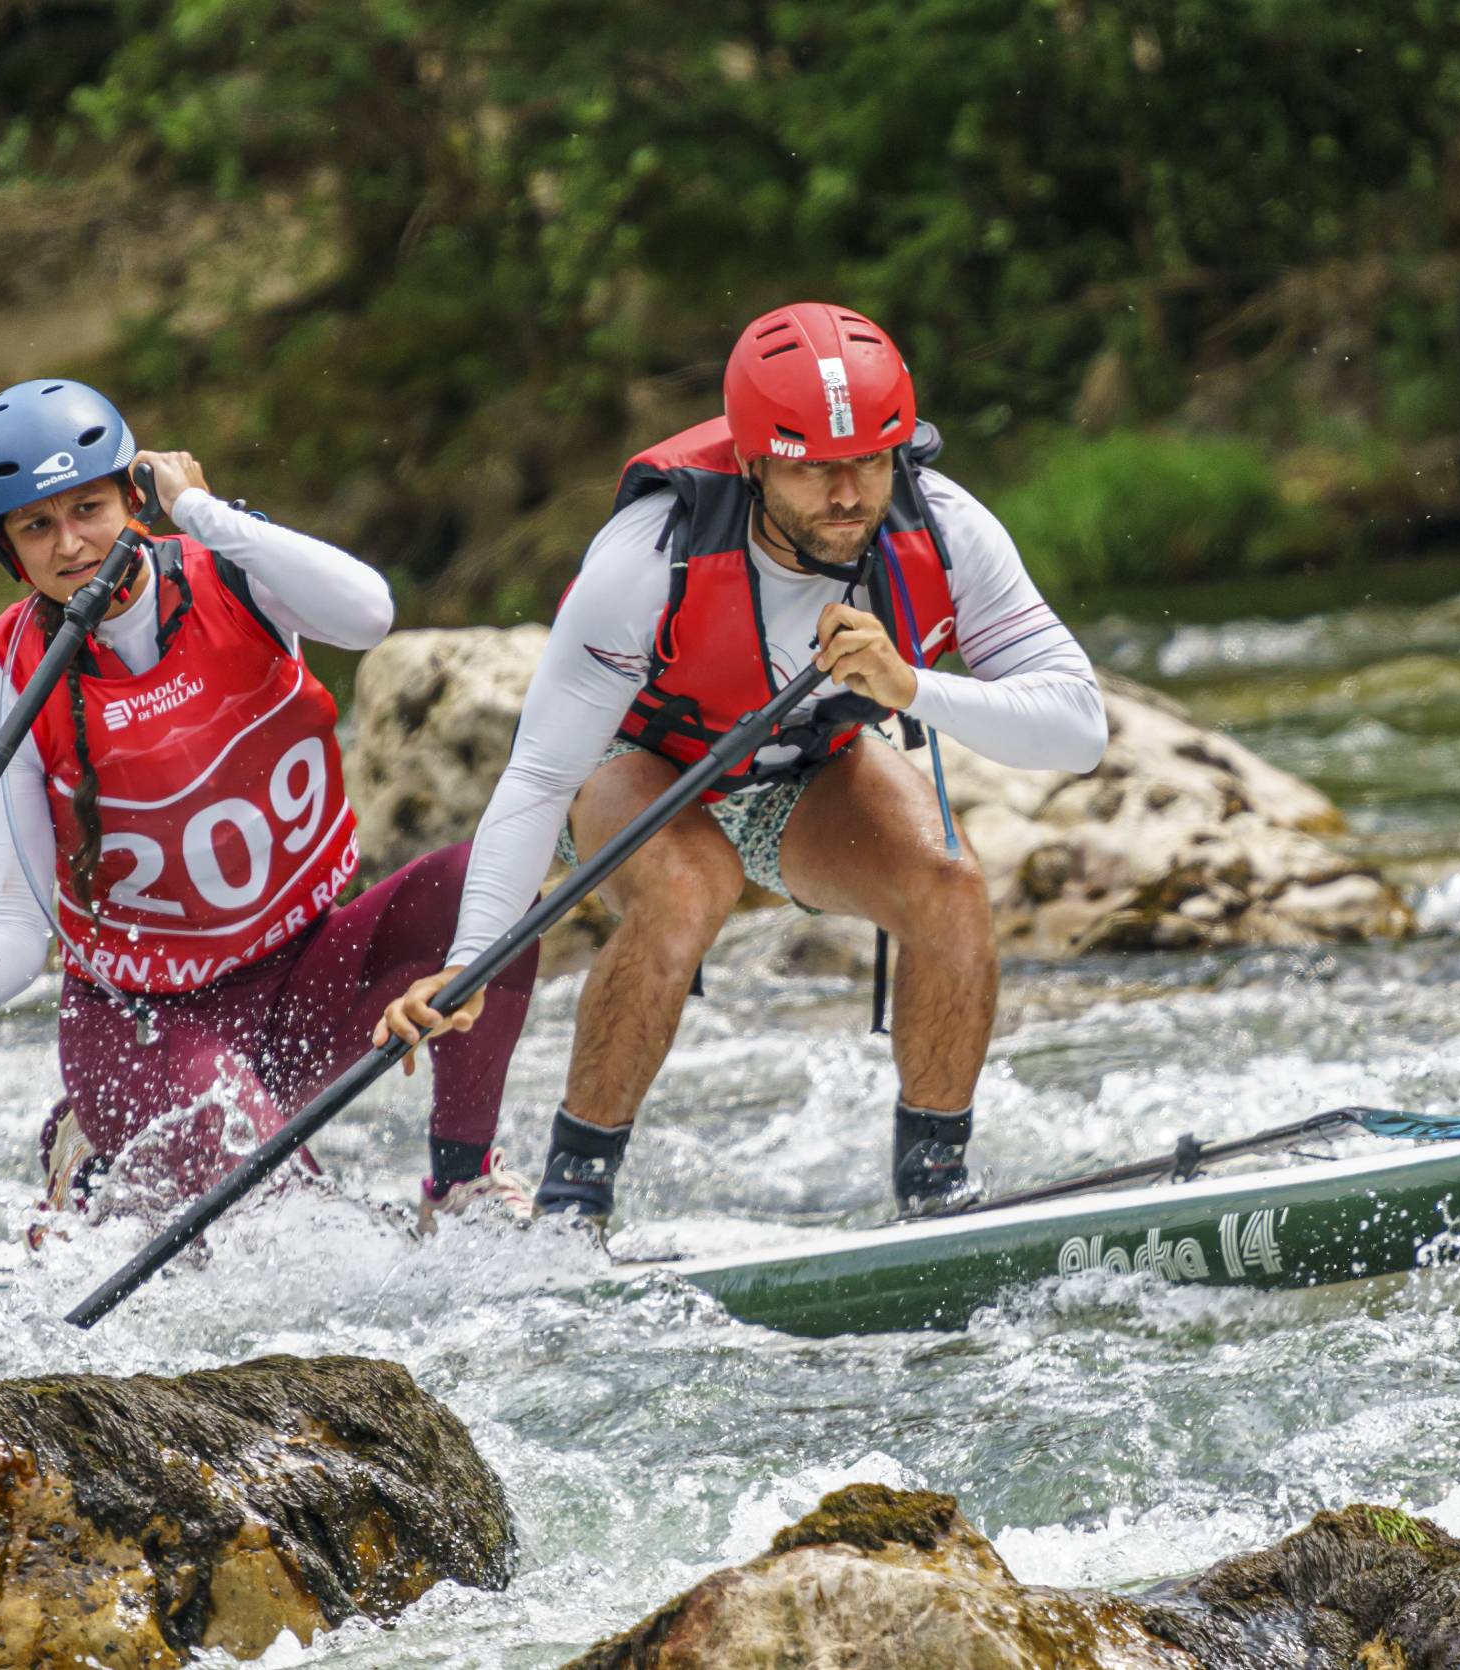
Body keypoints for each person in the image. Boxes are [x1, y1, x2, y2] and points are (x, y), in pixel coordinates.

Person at [375, 303, 1107, 1224]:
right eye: (816, 470)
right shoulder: (648, 557)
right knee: (689, 883)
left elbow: (1080, 728)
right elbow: (537, 777)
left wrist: (911, 688)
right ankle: (572, 1205)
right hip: (637, 754)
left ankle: (936, 1195)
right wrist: (473, 959)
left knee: (950, 888)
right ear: (757, 463)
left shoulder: (947, 527)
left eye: (871, 462)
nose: (848, 495)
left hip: (804, 761)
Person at [0, 378, 538, 1232]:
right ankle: (99, 1143)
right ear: (8, 551)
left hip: (305, 975)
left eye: (87, 507)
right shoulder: (9, 689)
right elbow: (17, 931)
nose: (72, 544)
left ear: (135, 496)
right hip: (143, 1026)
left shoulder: (239, 576)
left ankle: (461, 1183)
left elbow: (369, 614)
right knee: (296, 1232)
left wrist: (201, 511)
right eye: (36, 526)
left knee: (485, 887)